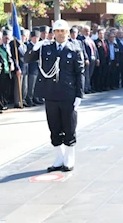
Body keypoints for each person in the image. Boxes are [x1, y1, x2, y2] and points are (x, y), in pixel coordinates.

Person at [25, 19, 84, 171]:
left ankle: (69, 158)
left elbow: (80, 73)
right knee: (54, 127)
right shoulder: (46, 48)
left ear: (67, 32)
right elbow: (27, 59)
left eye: (63, 31)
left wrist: (79, 95)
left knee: (69, 127)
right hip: (50, 93)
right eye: (57, 31)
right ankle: (59, 157)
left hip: (68, 94)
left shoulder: (74, 48)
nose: (60, 34)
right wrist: (35, 47)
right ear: (54, 33)